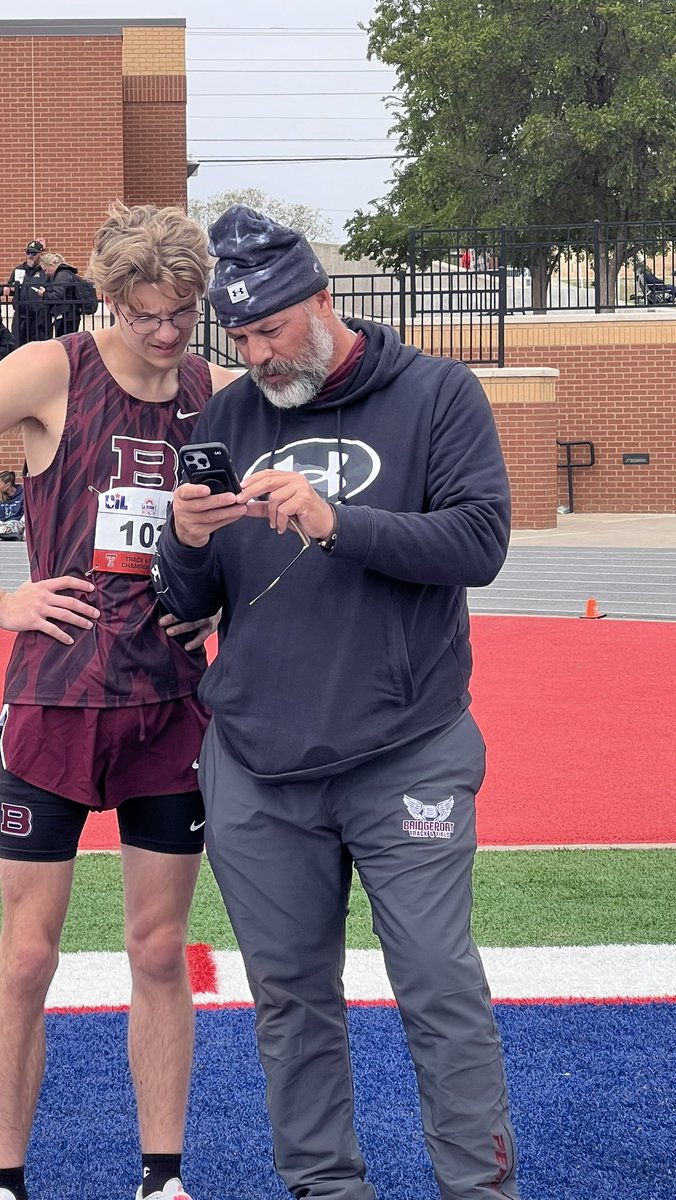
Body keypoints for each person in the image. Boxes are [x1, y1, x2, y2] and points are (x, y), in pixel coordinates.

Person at [153, 204, 520, 1200]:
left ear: (323, 301)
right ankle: (326, 1190)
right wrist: (182, 544)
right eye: (239, 338)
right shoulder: (225, 419)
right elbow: (190, 609)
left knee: (440, 989)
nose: (258, 355)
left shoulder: (438, 393)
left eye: (271, 329)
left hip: (407, 750)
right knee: (289, 1003)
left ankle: (479, 1193)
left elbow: (479, 545)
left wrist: (336, 522)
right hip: (260, 768)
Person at [0, 201, 237, 1200]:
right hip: (56, 701)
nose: (166, 336)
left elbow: (232, 543)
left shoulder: (213, 392)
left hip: (172, 709)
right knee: (30, 955)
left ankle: (162, 1176)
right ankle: (6, 1182)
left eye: (183, 314)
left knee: (159, 946)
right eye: (147, 315)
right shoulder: (53, 371)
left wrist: (212, 609)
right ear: (114, 300)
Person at [7, 240, 50, 346]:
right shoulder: (18, 269)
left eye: (34, 253)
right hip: (20, 316)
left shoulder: (45, 271)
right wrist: (12, 289)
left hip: (39, 317)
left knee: (39, 347)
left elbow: (51, 290)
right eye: (28, 252)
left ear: (41, 254)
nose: (30, 256)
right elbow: (9, 288)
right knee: (17, 346)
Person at [35, 251, 83, 337]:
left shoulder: (62, 275)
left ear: (51, 265)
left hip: (67, 316)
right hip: (68, 315)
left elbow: (58, 295)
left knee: (65, 343)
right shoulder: (64, 273)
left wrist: (44, 294)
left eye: (45, 269)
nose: (46, 273)